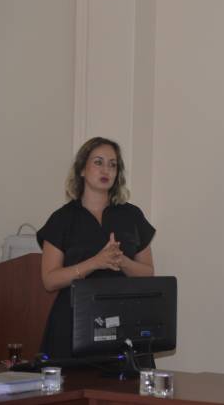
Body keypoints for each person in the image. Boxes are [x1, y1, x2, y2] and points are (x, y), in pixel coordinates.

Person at [36, 137, 155, 359]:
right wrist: (95, 262)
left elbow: (148, 273)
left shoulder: (132, 215)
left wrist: (122, 262)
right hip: (74, 323)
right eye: (98, 162)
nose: (106, 170)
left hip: (124, 322)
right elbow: (49, 280)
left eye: (113, 164)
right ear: (82, 169)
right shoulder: (62, 219)